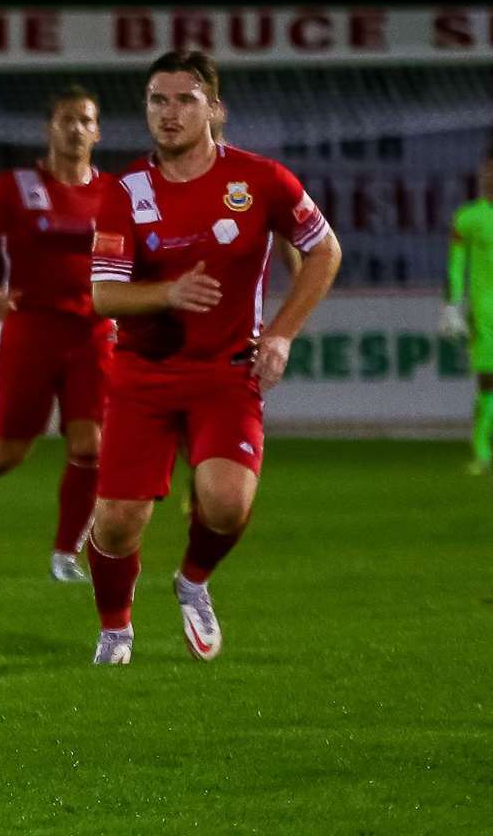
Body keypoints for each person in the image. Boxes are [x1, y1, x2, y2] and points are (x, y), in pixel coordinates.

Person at [86, 51, 340, 665]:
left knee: (226, 504)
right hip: (143, 375)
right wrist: (168, 294)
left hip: (227, 371)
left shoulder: (261, 180)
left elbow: (324, 251)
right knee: (118, 523)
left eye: (185, 99)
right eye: (157, 100)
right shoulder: (125, 191)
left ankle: (193, 581)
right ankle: (116, 627)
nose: (169, 114)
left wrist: (280, 334)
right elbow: (103, 295)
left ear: (215, 109)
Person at [0, 86, 109, 583]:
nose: (75, 128)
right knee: (11, 448)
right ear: (49, 128)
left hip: (94, 331)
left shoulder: (114, 193)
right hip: (31, 327)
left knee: (91, 444)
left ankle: (66, 554)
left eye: (85, 120)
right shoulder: (13, 185)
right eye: (66, 119)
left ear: (97, 131)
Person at [440, 154, 493, 476]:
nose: (488, 177)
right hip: (485, 311)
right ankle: (482, 450)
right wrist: (451, 304)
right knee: (488, 380)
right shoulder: (469, 217)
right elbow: (456, 264)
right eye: (486, 172)